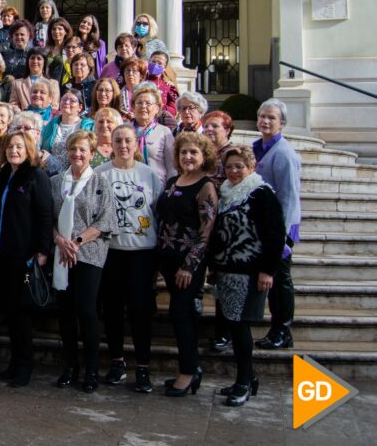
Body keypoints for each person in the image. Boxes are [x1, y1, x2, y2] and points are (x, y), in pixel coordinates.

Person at [210, 145, 286, 406]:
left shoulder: (261, 193)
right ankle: (247, 377)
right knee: (233, 325)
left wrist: (268, 270)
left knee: (240, 327)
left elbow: (275, 234)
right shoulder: (226, 193)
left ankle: (244, 381)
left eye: (239, 166)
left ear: (250, 167)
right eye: (229, 166)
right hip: (227, 271)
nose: (233, 171)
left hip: (250, 272)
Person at [95, 124, 164, 393]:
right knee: (112, 310)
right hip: (111, 252)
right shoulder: (101, 174)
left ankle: (143, 368)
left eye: (128, 141)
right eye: (118, 140)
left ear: (136, 144)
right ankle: (117, 362)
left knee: (140, 311)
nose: (123, 145)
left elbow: (157, 211)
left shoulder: (149, 175)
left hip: (142, 254)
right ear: (111, 143)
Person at [51, 130, 115, 393]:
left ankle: (91, 369)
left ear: (91, 154)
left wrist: (75, 242)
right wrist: (59, 240)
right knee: (65, 313)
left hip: (88, 253)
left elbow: (104, 221)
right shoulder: (55, 182)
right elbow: (47, 217)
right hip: (60, 254)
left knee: (86, 312)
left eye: (83, 150)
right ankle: (70, 366)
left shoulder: (100, 181)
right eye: (73, 149)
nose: (77, 154)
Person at [0, 131, 55, 387]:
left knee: (22, 315)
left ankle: (24, 367)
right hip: (3, 252)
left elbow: (45, 215)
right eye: (9, 147)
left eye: (19, 147)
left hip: (25, 255)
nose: (13, 151)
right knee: (9, 311)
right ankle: (14, 363)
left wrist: (42, 251)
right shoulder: (5, 174)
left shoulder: (36, 176)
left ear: (29, 149)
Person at [156, 132, 218, 397]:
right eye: (183, 152)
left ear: (204, 156)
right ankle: (190, 367)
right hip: (167, 259)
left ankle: (188, 372)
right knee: (181, 315)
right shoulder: (173, 181)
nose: (188, 156)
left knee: (180, 314)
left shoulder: (206, 186)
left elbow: (207, 231)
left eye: (193, 152)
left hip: (188, 263)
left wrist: (189, 267)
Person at [253, 98, 301, 350]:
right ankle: (277, 328)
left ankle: (282, 329)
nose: (265, 121)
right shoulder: (260, 147)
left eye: (271, 117)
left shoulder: (283, 152)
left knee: (280, 279)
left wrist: (282, 237)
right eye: (262, 116)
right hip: (263, 228)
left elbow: (289, 196)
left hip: (279, 228)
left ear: (281, 123)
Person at [40, 89, 95, 174]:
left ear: (80, 107)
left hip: (78, 172)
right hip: (52, 173)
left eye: (72, 101)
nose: (67, 102)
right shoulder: (51, 125)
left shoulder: (88, 126)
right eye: (64, 99)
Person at [132, 84, 177, 185]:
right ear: (133, 107)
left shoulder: (164, 132)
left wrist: (170, 188)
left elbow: (172, 166)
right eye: (139, 103)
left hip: (157, 186)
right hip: (129, 186)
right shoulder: (125, 130)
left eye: (148, 103)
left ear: (157, 108)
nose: (143, 106)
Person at [146, 50, 179, 120]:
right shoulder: (140, 81)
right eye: (153, 62)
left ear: (164, 68)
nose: (155, 65)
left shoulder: (169, 86)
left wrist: (160, 108)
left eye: (159, 63)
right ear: (148, 62)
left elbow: (174, 109)